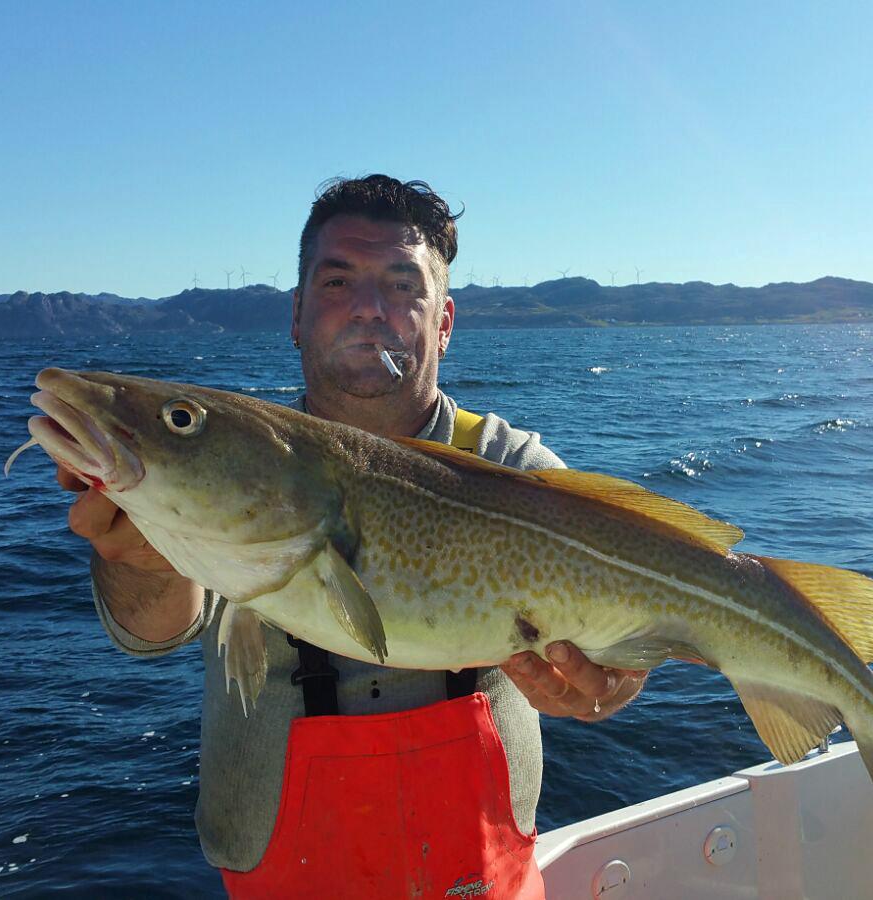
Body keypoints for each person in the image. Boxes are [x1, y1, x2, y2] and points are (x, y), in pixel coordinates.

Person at [58, 175, 647, 898]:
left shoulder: (520, 475)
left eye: (404, 286)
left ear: (444, 323)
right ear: (297, 314)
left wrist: (607, 686)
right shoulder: (231, 465)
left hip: (487, 876)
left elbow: (630, 637)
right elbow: (152, 633)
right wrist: (139, 559)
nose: (371, 310)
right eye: (338, 282)